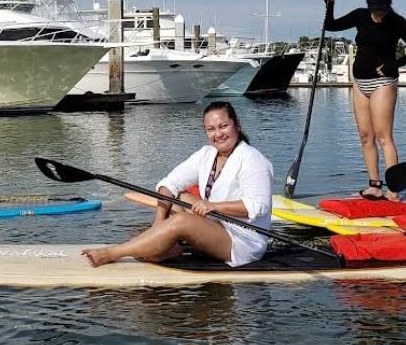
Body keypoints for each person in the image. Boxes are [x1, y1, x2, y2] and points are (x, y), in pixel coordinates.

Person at [82, 101, 274, 268]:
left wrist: (213, 206)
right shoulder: (206, 154)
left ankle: (112, 253)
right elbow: (169, 183)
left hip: (243, 241)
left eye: (223, 126)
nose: (218, 134)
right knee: (175, 197)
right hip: (217, 223)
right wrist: (157, 224)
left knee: (181, 221)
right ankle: (167, 247)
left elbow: (257, 207)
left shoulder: (252, 160)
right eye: (211, 129)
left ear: (236, 126)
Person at [323, 0, 406, 200]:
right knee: (365, 136)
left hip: (383, 82)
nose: (378, 13)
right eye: (375, 9)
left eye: (382, 9)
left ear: (388, 6)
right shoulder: (360, 16)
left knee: (383, 136)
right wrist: (329, 4)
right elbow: (329, 25)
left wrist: (393, 65)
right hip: (360, 82)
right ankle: (374, 185)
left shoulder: (397, 22)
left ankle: (394, 189)